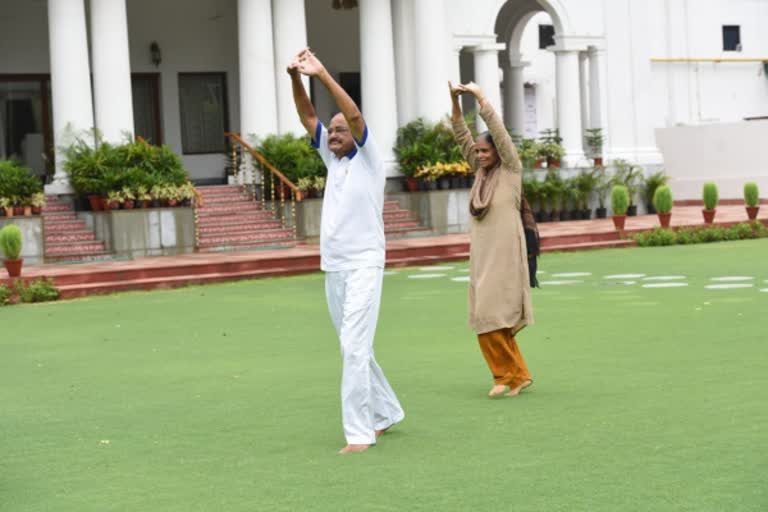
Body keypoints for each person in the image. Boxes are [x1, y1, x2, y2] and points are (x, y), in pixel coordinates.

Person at [287, 48, 404, 453]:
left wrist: (321, 73)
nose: (333, 135)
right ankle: (386, 411)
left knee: (354, 347)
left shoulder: (371, 161)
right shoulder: (332, 159)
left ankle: (359, 433)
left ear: (356, 134)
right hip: (334, 266)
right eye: (330, 132)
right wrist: (295, 78)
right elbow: (307, 117)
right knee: (352, 346)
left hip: (365, 264)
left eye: (339, 131)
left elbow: (352, 115)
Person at [449, 81, 534, 398]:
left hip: (507, 255)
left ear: (499, 152)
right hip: (482, 257)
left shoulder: (511, 170)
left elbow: (499, 132)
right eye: (478, 152)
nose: (480, 155)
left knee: (493, 315)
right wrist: (456, 107)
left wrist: (480, 98)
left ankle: (505, 375)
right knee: (486, 315)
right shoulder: (480, 174)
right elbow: (462, 138)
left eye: (486, 151)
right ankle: (517, 374)